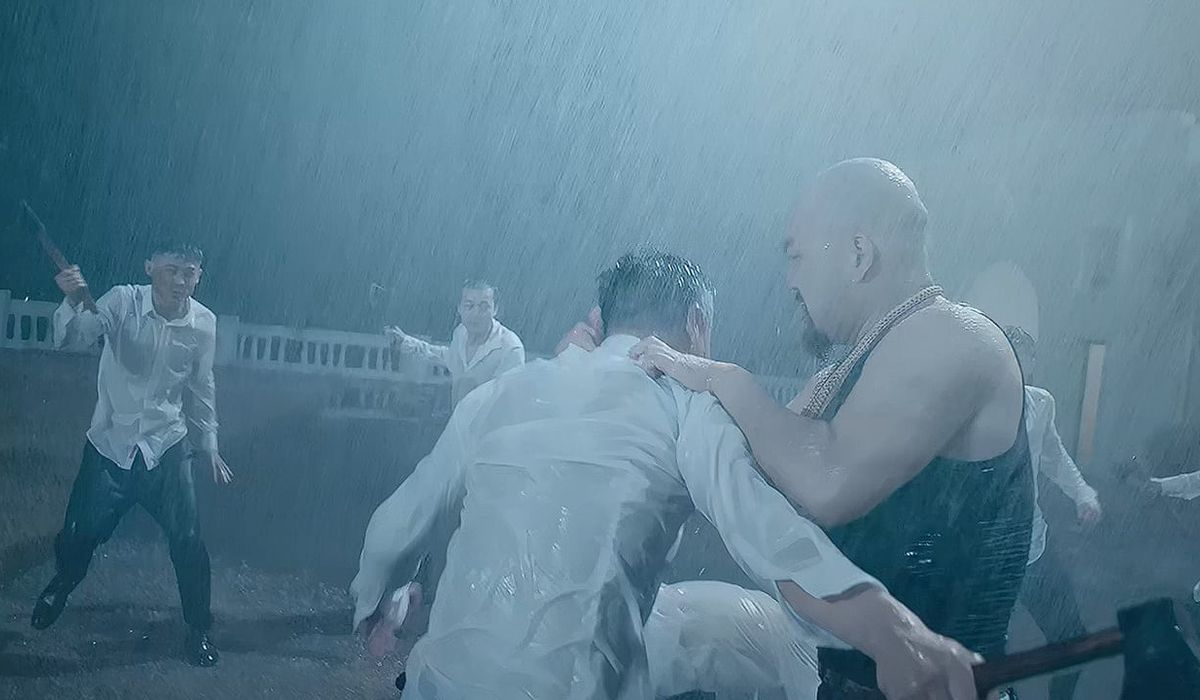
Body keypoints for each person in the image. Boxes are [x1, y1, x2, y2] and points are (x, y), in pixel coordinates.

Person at [353, 251, 981, 700]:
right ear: (698, 325)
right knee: (755, 624)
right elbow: (776, 544)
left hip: (440, 686)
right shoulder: (685, 404)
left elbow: (391, 527)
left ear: (600, 322)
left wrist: (375, 599)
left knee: (663, 615)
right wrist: (898, 636)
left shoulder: (499, 394)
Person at [625, 159, 1034, 698]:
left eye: (796, 256)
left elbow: (826, 480)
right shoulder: (848, 371)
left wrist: (725, 378)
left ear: (858, 253)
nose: (790, 280)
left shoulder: (954, 335)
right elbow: (750, 472)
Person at [30, 242, 232, 667]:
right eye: (172, 269)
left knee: (189, 541)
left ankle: (198, 630)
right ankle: (63, 583)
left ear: (199, 276)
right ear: (149, 268)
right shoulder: (122, 301)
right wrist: (73, 299)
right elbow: (74, 337)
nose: (180, 280)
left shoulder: (204, 323)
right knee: (79, 534)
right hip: (111, 445)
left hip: (167, 448)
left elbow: (202, 384)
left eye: (190, 272)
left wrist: (210, 444)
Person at [1003, 326, 1100, 700]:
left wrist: (1082, 494)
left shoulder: (1040, 403)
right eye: (1008, 358)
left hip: (1034, 549)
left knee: (1072, 640)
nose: (1016, 368)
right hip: (987, 559)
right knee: (983, 652)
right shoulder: (970, 408)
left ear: (1031, 365)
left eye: (1023, 360)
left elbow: (1054, 457)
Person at [386, 279, 525, 406]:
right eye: (469, 306)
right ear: (459, 308)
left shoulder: (510, 348)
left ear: (495, 310)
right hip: (458, 421)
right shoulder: (461, 333)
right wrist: (407, 343)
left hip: (492, 425)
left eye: (484, 307)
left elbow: (508, 401)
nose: (476, 313)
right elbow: (448, 357)